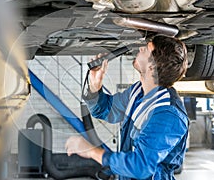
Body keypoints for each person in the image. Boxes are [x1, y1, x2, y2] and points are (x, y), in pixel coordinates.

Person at [65, 35, 189, 180]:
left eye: (146, 49)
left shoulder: (168, 114)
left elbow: (141, 166)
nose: (141, 48)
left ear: (152, 66)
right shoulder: (138, 92)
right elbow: (104, 110)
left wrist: (92, 151)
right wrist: (95, 84)